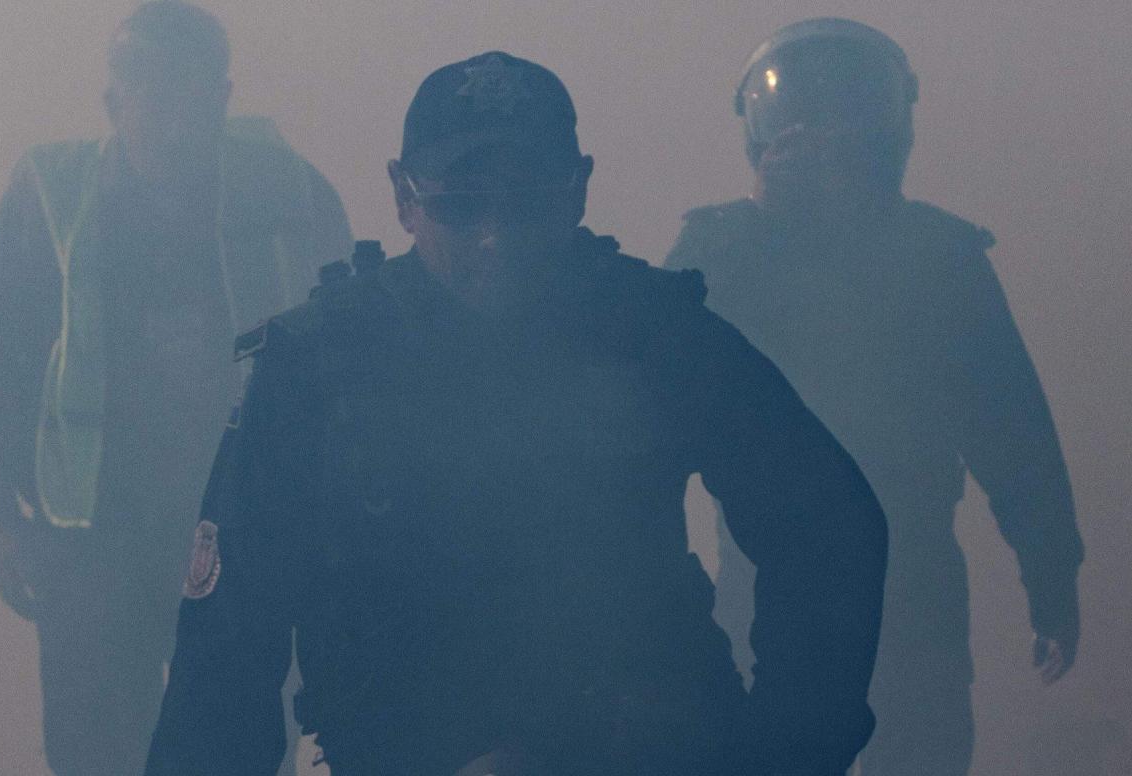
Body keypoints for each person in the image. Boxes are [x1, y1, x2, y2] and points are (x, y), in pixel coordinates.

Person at [145, 51, 887, 776]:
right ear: (403, 197)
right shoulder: (317, 368)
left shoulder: (654, 336)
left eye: (527, 198)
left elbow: (827, 525)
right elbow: (227, 649)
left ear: (578, 190)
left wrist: (788, 752)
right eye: (462, 205)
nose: (495, 235)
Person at [665, 18, 1084, 776]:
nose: (824, 146)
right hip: (764, 587)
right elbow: (653, 381)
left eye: (841, 123)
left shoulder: (940, 260)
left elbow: (1013, 433)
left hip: (909, 593)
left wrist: (1051, 572)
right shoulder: (723, 249)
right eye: (805, 124)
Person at [0, 2, 351, 774]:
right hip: (92, 540)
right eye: (154, 95)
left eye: (193, 95)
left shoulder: (287, 191)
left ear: (224, 97)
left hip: (242, 531)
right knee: (99, 753)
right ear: (113, 102)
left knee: (234, 745)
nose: (174, 121)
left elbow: (356, 357)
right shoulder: (49, 198)